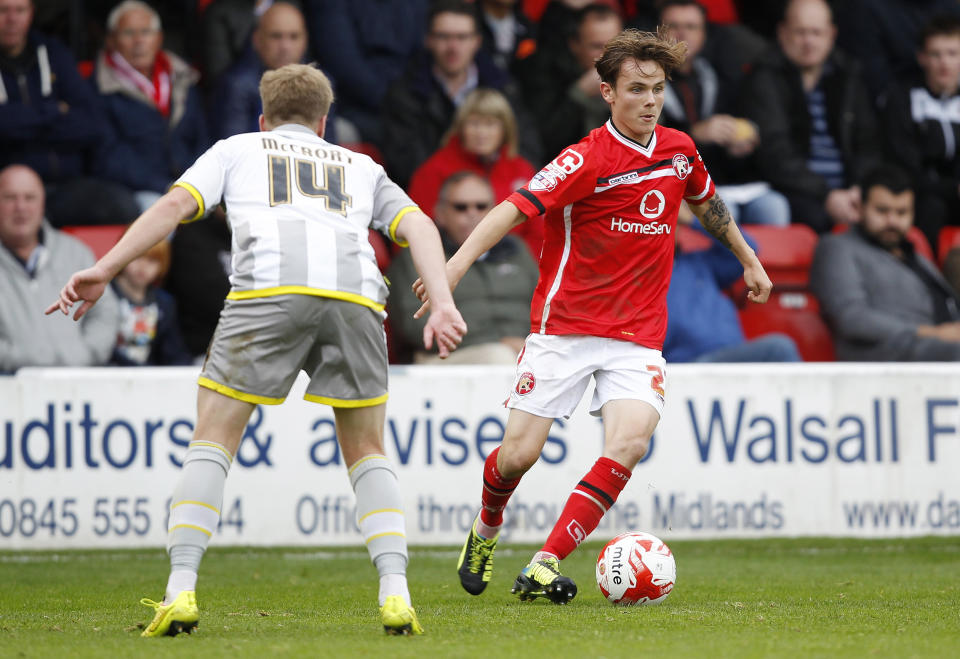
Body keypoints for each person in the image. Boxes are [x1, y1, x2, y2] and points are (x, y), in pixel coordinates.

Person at [47, 63, 467, 636]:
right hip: (357, 297)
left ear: (264, 117)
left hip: (268, 290)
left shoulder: (238, 148)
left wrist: (104, 266)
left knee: (214, 435)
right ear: (324, 123)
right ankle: (397, 593)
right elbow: (419, 226)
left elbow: (172, 208)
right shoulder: (361, 165)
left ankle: (180, 591)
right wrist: (441, 301)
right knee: (368, 448)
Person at [415, 27, 772, 603]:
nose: (650, 101)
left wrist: (749, 260)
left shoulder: (678, 149)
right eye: (636, 89)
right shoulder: (584, 159)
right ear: (608, 93)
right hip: (566, 329)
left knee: (630, 441)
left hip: (637, 336)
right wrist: (450, 270)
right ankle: (485, 529)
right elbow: (510, 209)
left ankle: (543, 563)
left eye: (657, 89)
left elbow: (707, 200)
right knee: (518, 456)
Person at [740, 0, 881, 233]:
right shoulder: (764, 77)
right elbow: (775, 154)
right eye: (800, 32)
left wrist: (859, 189)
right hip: (793, 191)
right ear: (783, 33)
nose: (809, 41)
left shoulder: (848, 74)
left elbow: (867, 142)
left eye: (816, 32)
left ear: (831, 35)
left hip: (848, 191)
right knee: (815, 219)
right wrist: (826, 195)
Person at [0, 0, 139, 227]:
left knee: (126, 206)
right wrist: (54, 111)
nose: (12, 19)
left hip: (66, 184)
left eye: (20, 10)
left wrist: (20, 124)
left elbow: (91, 123)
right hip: (9, 191)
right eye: (3, 10)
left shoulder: (54, 52)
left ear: (31, 13)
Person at [380, 0, 540, 189]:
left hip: (498, 196)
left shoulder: (503, 88)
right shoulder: (405, 93)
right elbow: (406, 164)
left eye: (462, 37)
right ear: (428, 40)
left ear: (477, 41)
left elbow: (528, 150)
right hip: (434, 198)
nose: (453, 47)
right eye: (443, 37)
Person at [659, 0, 790, 227]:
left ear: (703, 35)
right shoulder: (645, 80)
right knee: (723, 214)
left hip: (726, 183)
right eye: (674, 26)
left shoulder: (716, 76)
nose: (683, 34)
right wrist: (693, 134)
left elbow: (743, 125)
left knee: (774, 206)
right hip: (673, 186)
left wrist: (741, 144)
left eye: (692, 27)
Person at [810, 165, 960, 361]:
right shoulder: (837, 247)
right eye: (882, 211)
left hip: (936, 351)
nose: (892, 221)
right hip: (885, 355)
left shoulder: (916, 256)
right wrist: (932, 333)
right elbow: (851, 318)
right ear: (860, 208)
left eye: (901, 212)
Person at [389, 172, 537, 364]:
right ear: (441, 213)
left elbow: (546, 307)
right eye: (461, 207)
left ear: (495, 212)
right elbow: (412, 325)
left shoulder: (517, 250)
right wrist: (499, 340)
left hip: (525, 350)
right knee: (501, 356)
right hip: (444, 357)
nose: (472, 213)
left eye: (481, 206)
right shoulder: (418, 256)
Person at [0, 164, 118, 373]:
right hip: (8, 390)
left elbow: (105, 311)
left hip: (77, 388)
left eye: (29, 198)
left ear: (42, 204)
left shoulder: (76, 252)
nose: (21, 207)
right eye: (10, 198)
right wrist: (19, 361)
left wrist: (86, 354)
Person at [93, 0, 209, 210]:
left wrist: (197, 182)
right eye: (128, 33)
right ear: (111, 40)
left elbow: (201, 138)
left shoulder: (183, 77)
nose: (139, 41)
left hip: (191, 186)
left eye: (146, 32)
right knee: (160, 216)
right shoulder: (98, 88)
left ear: (159, 38)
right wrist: (165, 186)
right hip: (138, 191)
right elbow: (108, 158)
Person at [407, 88, 540, 256]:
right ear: (461, 128)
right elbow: (417, 231)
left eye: (490, 124)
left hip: (512, 267)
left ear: (505, 129)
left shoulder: (522, 170)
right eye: (474, 123)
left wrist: (523, 269)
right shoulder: (434, 170)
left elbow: (538, 232)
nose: (481, 133)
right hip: (451, 264)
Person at [664, 219, 800, 362]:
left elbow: (747, 248)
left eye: (674, 220)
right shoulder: (645, 276)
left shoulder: (700, 262)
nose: (670, 226)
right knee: (778, 349)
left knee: (779, 349)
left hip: (732, 355)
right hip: (687, 364)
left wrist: (694, 219)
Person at [880, 15, 960, 249]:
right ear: (921, 58)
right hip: (920, 193)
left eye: (953, 53)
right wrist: (951, 188)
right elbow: (903, 164)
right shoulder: (902, 99)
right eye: (936, 54)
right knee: (931, 207)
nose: (944, 63)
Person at [304, 0, 429, 145]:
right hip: (354, 107)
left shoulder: (417, 4)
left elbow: (421, 56)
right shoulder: (333, 5)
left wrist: (406, 100)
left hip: (408, 101)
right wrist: (393, 102)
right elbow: (343, 62)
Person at [210, 2, 337, 143]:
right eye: (276, 36)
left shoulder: (320, 84)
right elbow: (233, 149)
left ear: (305, 40)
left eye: (294, 36)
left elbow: (328, 146)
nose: (285, 46)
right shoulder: (236, 86)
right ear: (257, 40)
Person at [515, 3, 623, 163]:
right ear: (574, 44)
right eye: (596, 46)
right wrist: (579, 94)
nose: (607, 55)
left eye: (615, 46)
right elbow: (542, 142)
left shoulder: (633, 74)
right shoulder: (545, 73)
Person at [110, 236, 193, 366]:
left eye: (152, 260)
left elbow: (173, 349)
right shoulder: (104, 295)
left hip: (149, 376)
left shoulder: (164, 303)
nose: (143, 266)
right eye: (137, 256)